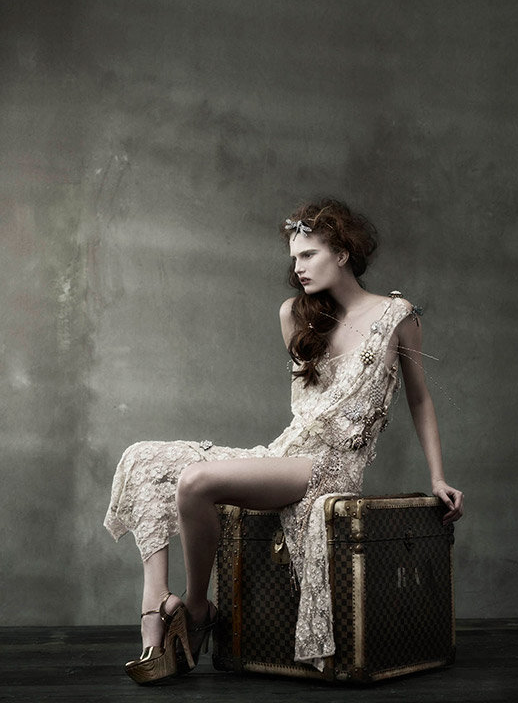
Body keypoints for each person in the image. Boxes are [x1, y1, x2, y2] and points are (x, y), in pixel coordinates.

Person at [104, 198, 464, 684]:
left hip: (331, 467)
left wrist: (438, 478)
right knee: (144, 458)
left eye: (309, 255)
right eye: (294, 258)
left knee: (195, 482)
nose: (298, 268)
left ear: (342, 254)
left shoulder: (397, 316)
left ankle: (195, 608)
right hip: (287, 455)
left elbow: (420, 399)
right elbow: (307, 416)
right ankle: (155, 604)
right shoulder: (295, 315)